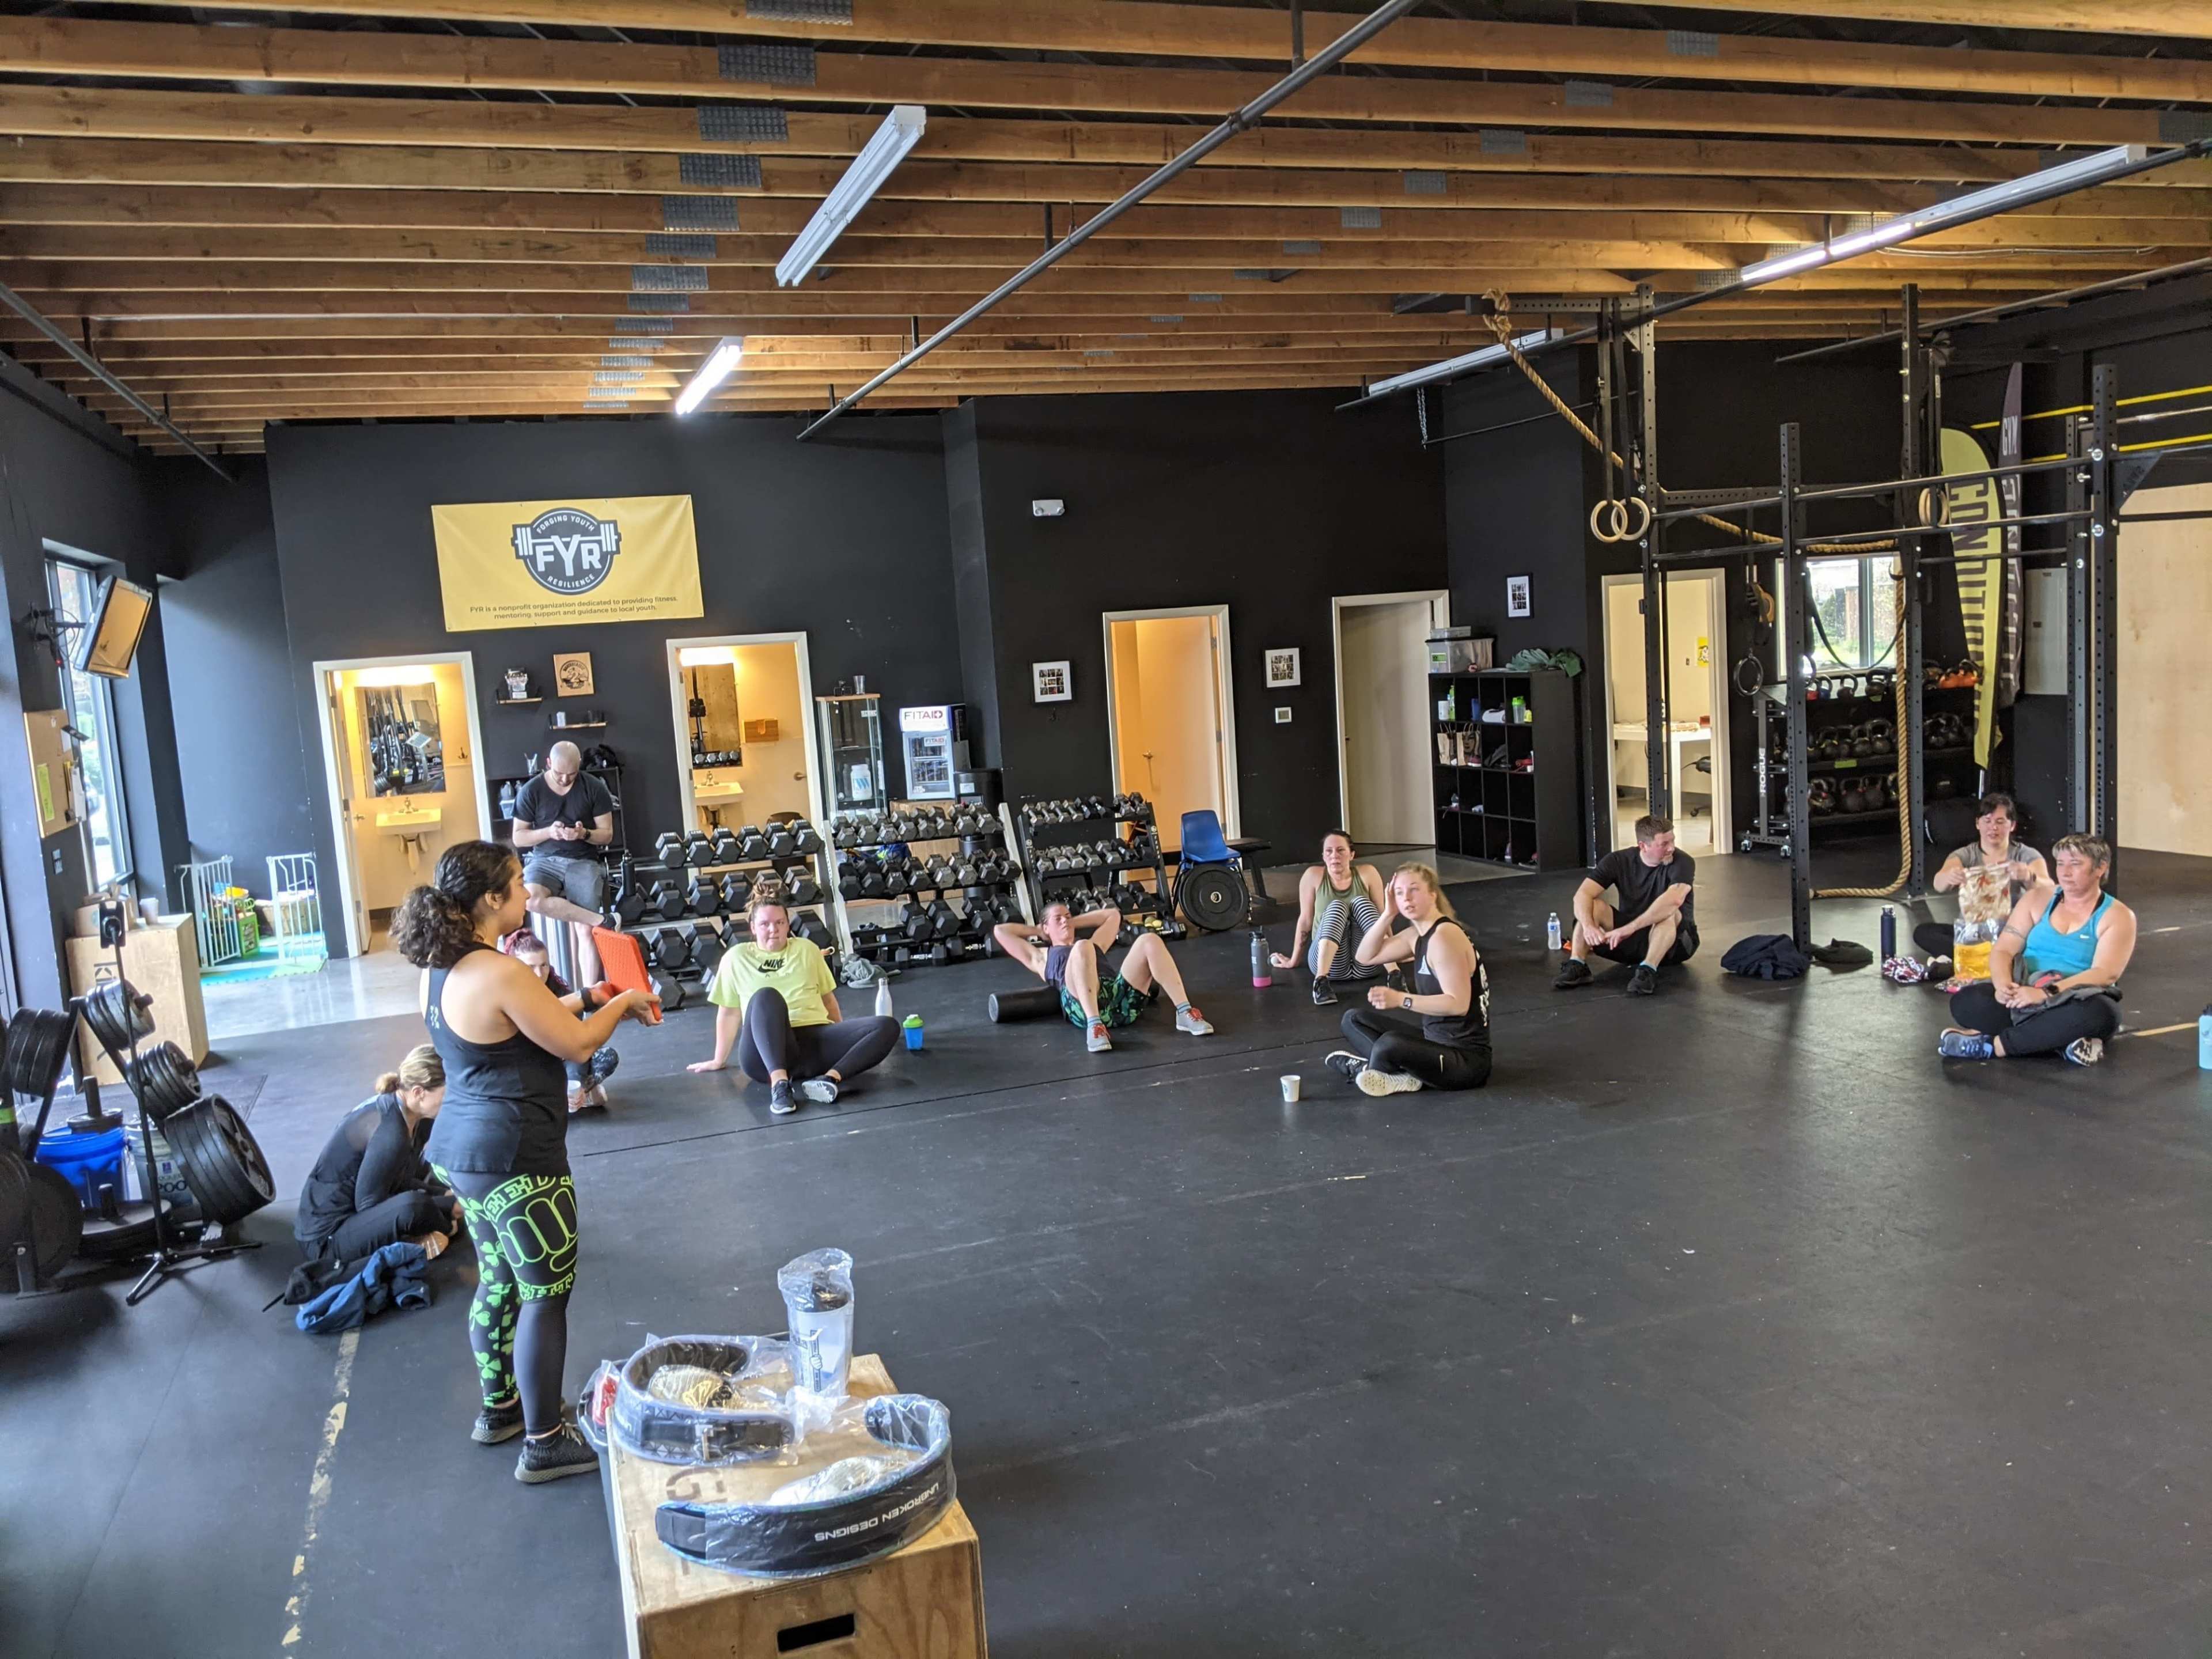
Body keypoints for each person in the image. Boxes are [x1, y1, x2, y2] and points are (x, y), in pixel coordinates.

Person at [393, 839, 658, 1484]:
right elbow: (576, 1044)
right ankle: (544, 1441)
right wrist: (623, 1002)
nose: (528, 894)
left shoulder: (443, 969)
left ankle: (501, 1410)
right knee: (546, 1295)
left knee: (500, 1281)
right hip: (518, 1157)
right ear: (491, 899)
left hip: (465, 1152)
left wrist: (590, 992)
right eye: (518, 884)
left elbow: (513, 1027)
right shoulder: (502, 971)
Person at [688, 893, 897, 1115]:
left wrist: (844, 1036)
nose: (773, 929)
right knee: (766, 996)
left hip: (814, 1045)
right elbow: (729, 1013)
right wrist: (718, 1059)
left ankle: (829, 1080)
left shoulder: (807, 949)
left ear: (788, 924)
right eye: (765, 924)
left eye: (780, 923)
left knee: (887, 1026)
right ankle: (780, 1084)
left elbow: (828, 1000)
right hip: (764, 1054)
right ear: (753, 928)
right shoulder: (736, 957)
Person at [1940, 832, 2135, 1066]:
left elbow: (2105, 973)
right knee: (1966, 1002)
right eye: (2061, 864)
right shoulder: (2037, 899)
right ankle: (2062, 1044)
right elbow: (2003, 950)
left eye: (2075, 865)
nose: (2065, 872)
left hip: (2073, 999)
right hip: (2025, 994)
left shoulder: (2118, 915)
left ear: (2100, 868)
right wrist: (2004, 986)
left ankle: (1996, 1046)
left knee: (2105, 1014)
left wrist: (2047, 993)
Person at [1326, 862, 1490, 1096]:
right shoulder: (1417, 935)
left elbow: (1458, 1005)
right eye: (1400, 893)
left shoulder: (1444, 937)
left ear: (1432, 894)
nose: (1406, 898)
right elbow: (1365, 956)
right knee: (1354, 1020)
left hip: (1464, 1062)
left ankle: (1370, 1068)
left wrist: (1402, 999)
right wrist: (1387, 914)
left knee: (1390, 1043)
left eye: (1414, 890)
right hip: (1433, 1041)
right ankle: (1395, 1073)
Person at [293, 1044, 463, 1264]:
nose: (452, 1102)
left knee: (428, 1175)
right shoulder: (390, 1134)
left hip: (363, 1206)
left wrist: (440, 1194)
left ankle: (431, 1221)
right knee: (415, 1206)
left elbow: (396, 1179)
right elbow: (370, 1207)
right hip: (327, 1239)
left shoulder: (415, 1116)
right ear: (419, 1092)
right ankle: (430, 1225)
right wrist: (446, 1205)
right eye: (447, 1095)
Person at [993, 899, 1213, 1052]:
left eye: (1067, 917)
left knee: (1150, 940)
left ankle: (1184, 1013)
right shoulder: (1041, 957)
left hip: (1120, 1003)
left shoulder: (1094, 945)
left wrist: (1071, 922)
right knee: (1082, 947)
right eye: (1057, 919)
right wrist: (1039, 930)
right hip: (1080, 1004)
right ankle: (1095, 1026)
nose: (1064, 921)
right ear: (1045, 927)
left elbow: (1113, 915)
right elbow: (1000, 932)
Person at [1554, 813, 1696, 996]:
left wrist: (1629, 928)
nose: (1672, 848)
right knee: (1593, 906)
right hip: (1627, 941)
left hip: (1674, 945)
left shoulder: (1683, 862)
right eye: (1664, 844)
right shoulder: (1618, 860)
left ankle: (1648, 970)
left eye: (1672, 841)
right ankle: (1578, 964)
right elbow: (1582, 894)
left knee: (1670, 912)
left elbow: (1675, 899)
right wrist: (1589, 927)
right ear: (1643, 846)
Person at [509, 741, 615, 984]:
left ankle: (589, 997)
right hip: (545, 860)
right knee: (531, 900)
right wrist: (549, 832)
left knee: (584, 931)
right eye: (559, 774)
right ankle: (601, 920)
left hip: (583, 860)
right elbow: (519, 837)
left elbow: (607, 834)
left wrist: (584, 834)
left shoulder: (594, 787)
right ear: (548, 764)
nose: (566, 780)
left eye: (572, 774)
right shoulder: (532, 790)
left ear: (579, 767)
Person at [1912, 793, 2048, 959]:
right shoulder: (1965, 854)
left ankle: (1983, 958)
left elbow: (2049, 889)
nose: (1993, 828)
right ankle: (1988, 958)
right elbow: (1938, 884)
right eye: (1987, 821)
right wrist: (1951, 877)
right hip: (1973, 933)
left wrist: (2029, 876)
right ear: (1978, 824)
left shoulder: (2025, 855)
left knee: (2038, 941)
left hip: (2011, 933)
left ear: (2012, 825)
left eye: (2000, 822)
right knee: (1924, 932)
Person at [503, 929, 620, 1112]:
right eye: (530, 967)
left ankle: (579, 1093)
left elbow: (577, 1044)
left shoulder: (561, 992)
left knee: (607, 1057)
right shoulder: (504, 995)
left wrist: (578, 1084)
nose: (539, 973)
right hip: (528, 1066)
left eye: (544, 965)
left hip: (561, 1059)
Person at [1268, 829, 1387, 1006]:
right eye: (1329, 851)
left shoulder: (1368, 873)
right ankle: (1321, 982)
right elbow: (1306, 920)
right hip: (1330, 966)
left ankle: (1395, 975)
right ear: (1323, 856)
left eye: (1341, 850)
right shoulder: (1313, 876)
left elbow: (1382, 916)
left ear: (1352, 854)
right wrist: (1294, 960)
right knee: (1337, 906)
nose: (1334, 856)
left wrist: (1395, 950)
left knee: (1363, 903)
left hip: (1367, 964)